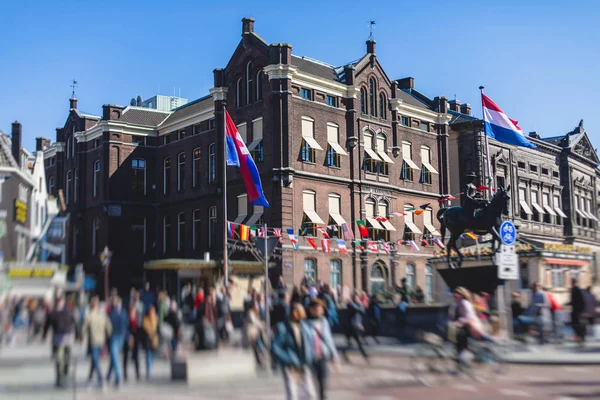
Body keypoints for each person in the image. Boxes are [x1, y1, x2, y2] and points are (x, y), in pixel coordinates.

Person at [271, 302, 318, 400]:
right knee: (292, 395)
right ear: (295, 313)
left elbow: (310, 343)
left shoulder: (304, 326)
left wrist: (312, 356)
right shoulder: (283, 327)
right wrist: (288, 358)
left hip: (303, 364)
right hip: (290, 366)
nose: (304, 314)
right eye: (302, 312)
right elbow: (274, 347)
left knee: (310, 394)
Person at [42, 293, 78, 388]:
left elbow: (47, 325)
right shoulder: (68, 311)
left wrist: (44, 336)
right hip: (64, 337)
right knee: (63, 357)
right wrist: (79, 335)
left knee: (60, 358)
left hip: (60, 337)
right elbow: (75, 322)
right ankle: (62, 376)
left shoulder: (54, 312)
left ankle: (61, 376)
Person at [307, 298, 339, 400]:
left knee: (322, 386)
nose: (319, 311)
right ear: (310, 309)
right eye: (316, 308)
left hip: (322, 357)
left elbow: (329, 340)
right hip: (309, 358)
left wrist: (335, 358)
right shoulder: (305, 323)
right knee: (309, 386)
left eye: (320, 309)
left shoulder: (324, 322)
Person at [83, 296, 112, 391]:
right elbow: (109, 327)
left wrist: (81, 337)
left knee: (95, 361)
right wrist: (107, 336)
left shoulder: (89, 315)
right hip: (101, 341)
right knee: (94, 361)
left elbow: (84, 328)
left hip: (93, 341)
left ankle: (101, 380)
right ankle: (89, 380)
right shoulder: (102, 315)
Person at [106, 296, 128, 388]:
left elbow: (125, 326)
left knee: (114, 357)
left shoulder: (119, 313)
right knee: (114, 357)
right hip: (116, 337)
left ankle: (116, 377)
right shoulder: (115, 313)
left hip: (118, 337)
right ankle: (113, 377)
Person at [346, 294, 368, 359]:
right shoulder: (351, 305)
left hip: (358, 324)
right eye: (355, 298)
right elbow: (353, 308)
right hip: (353, 325)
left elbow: (362, 311)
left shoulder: (360, 305)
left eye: (357, 298)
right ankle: (363, 352)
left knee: (358, 338)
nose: (356, 299)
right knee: (358, 340)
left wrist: (361, 324)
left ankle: (350, 340)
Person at [123, 304, 141, 382]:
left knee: (136, 357)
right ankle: (125, 374)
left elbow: (139, 331)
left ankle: (137, 374)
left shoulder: (137, 320)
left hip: (136, 341)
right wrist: (129, 338)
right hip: (127, 340)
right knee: (125, 357)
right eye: (131, 312)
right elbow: (125, 330)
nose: (132, 313)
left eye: (133, 312)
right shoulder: (126, 320)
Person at [142, 305, 159, 381]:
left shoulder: (156, 319)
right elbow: (146, 328)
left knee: (152, 355)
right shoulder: (145, 319)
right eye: (151, 311)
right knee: (148, 355)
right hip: (147, 340)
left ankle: (150, 369)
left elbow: (157, 329)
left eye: (153, 311)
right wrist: (151, 333)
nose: (152, 313)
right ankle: (148, 371)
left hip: (154, 341)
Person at [246, 300, 265, 366]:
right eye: (256, 305)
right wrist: (262, 324)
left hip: (257, 332)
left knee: (257, 345)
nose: (257, 306)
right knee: (255, 346)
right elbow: (254, 321)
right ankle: (258, 359)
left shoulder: (256, 312)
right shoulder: (250, 312)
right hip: (252, 332)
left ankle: (260, 358)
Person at [569, 278, 587, 345]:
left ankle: (581, 337)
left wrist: (582, 310)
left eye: (573, 282)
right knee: (575, 325)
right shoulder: (573, 290)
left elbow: (582, 301)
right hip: (575, 310)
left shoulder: (578, 290)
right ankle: (579, 337)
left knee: (579, 324)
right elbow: (573, 301)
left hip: (578, 311)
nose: (572, 284)